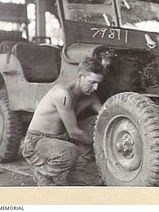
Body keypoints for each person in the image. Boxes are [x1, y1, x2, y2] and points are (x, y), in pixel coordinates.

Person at [22, 57, 105, 186]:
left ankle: (76, 174)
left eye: (98, 83)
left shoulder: (90, 96)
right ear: (80, 76)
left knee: (97, 123)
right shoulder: (62, 94)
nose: (96, 87)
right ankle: (43, 174)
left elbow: (105, 117)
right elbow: (74, 133)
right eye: (92, 82)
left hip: (61, 138)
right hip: (38, 141)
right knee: (70, 150)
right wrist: (101, 145)